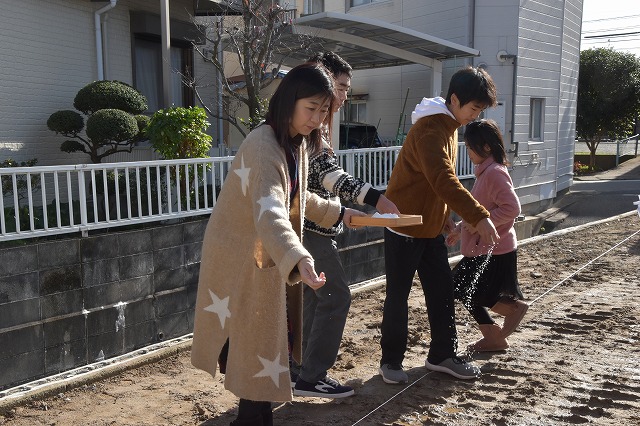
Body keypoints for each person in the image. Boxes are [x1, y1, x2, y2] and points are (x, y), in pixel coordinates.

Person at [190, 62, 364, 426]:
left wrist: (339, 212)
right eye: (310, 108)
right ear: (289, 102)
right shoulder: (263, 143)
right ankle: (254, 416)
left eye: (323, 110)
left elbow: (294, 200)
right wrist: (299, 256)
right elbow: (271, 210)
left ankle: (252, 414)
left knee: (258, 344)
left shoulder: (294, 142)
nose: (317, 118)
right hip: (242, 256)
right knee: (255, 342)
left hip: (261, 254)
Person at [378, 66, 500, 385]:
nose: (475, 116)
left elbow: (435, 183)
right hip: (403, 225)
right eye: (474, 109)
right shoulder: (431, 128)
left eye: (480, 111)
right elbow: (443, 179)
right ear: (456, 99)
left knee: (441, 290)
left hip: (430, 227)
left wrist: (444, 216)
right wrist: (478, 216)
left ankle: (442, 355)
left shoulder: (451, 123)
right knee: (398, 296)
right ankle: (390, 361)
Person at [290, 51, 400, 399]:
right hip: (309, 232)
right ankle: (311, 375)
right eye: (341, 86)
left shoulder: (318, 123)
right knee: (336, 297)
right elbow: (328, 176)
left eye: (346, 89)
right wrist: (374, 197)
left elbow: (321, 180)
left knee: (315, 299)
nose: (344, 95)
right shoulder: (312, 125)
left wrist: (344, 211)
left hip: (311, 229)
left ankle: (301, 371)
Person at [446, 119, 528, 352]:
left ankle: (513, 309)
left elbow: (512, 208)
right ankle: (494, 338)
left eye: (470, 147)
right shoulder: (486, 172)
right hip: (485, 247)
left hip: (496, 248)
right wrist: (462, 229)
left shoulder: (494, 173)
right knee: (464, 289)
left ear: (487, 147)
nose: (468, 152)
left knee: (469, 290)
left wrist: (476, 224)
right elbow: (480, 212)